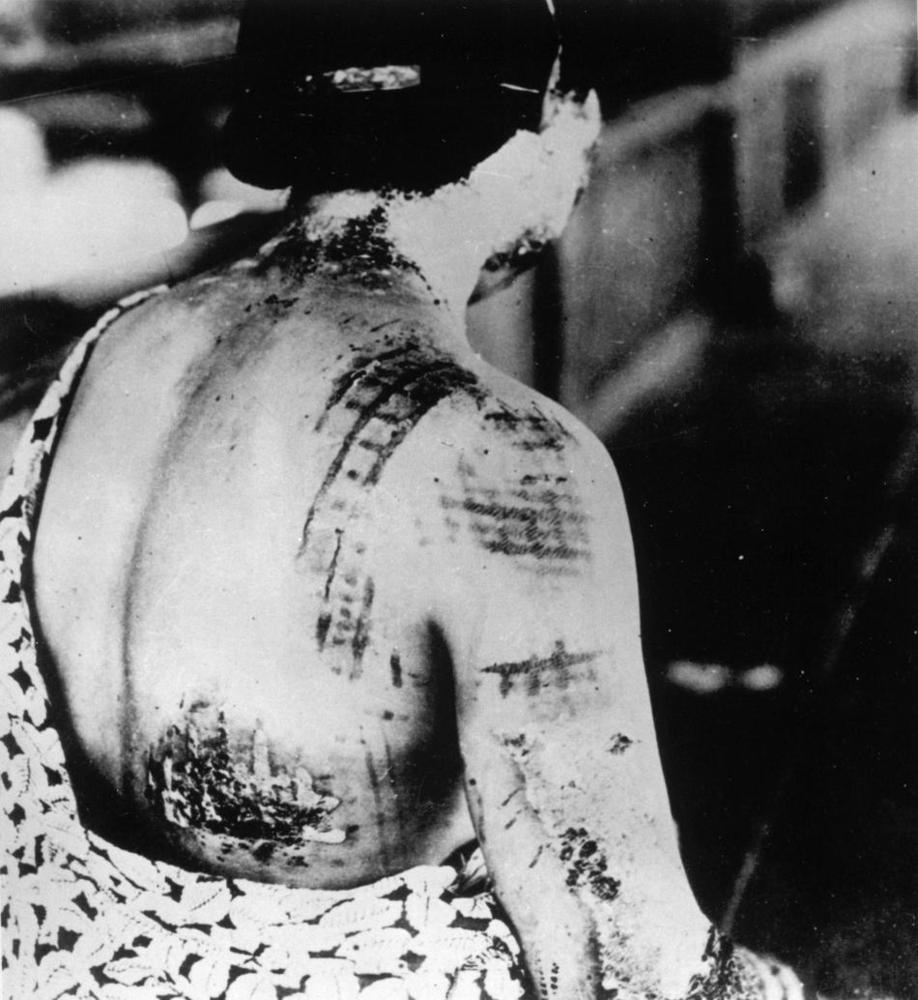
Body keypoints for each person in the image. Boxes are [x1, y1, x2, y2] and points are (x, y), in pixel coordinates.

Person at [1, 1, 806, 997]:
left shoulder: (94, 362)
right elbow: (623, 960)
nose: (593, 127)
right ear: (538, 111)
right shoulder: (508, 458)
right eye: (578, 94)